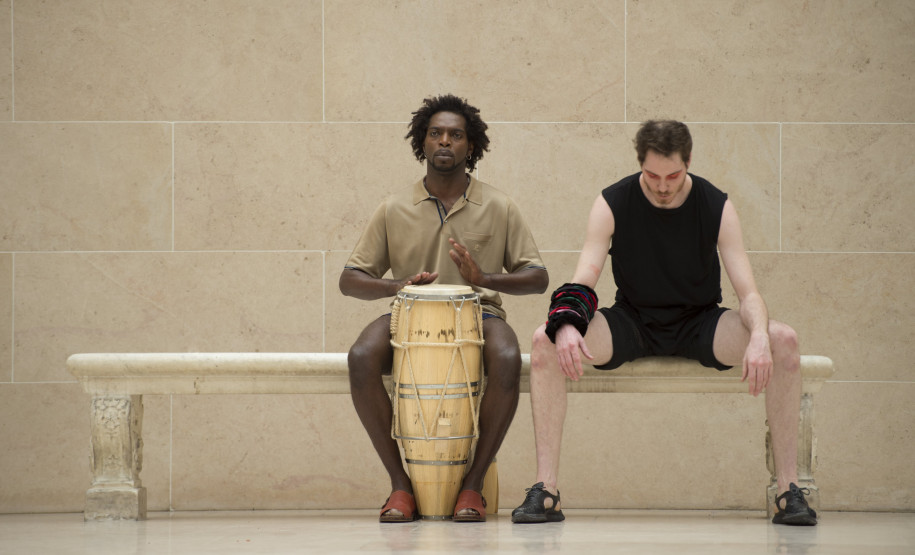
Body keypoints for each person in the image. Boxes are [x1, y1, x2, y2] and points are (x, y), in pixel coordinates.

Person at [511, 120, 817, 526]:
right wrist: (565, 324)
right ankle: (546, 490)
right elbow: (584, 279)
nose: (662, 186)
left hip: (699, 322)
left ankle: (788, 491)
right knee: (544, 339)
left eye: (672, 176)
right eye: (652, 176)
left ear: (688, 161)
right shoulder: (612, 202)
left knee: (784, 339)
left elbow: (749, 295)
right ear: (641, 164)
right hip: (633, 321)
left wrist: (760, 335)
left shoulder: (715, 205)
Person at [341, 94, 549, 523]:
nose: (445, 141)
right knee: (361, 356)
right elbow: (350, 279)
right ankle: (400, 486)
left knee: (508, 356)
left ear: (471, 146)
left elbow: (538, 277)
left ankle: (472, 485)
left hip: (480, 314)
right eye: (435, 133)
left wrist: (484, 278)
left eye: (456, 135)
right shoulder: (394, 206)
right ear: (422, 140)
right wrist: (396, 285)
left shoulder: (499, 205)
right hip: (409, 315)